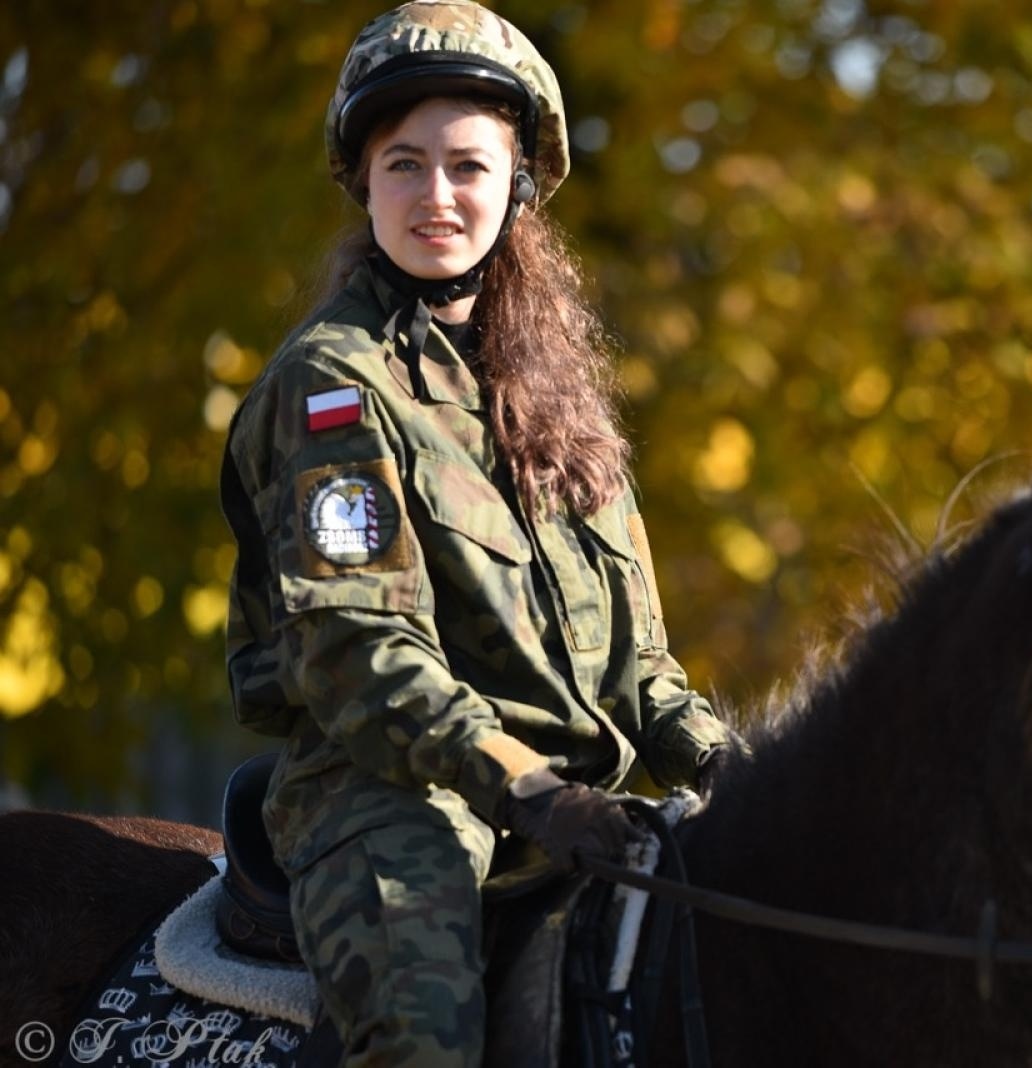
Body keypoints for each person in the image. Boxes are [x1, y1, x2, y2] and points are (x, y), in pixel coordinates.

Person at [218, 2, 738, 1063]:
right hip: (395, 804)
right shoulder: (331, 387)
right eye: (403, 165)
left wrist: (740, 767)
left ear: (518, 187)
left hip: (578, 805)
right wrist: (529, 787)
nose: (437, 197)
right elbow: (358, 655)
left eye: (467, 166)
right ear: (363, 183)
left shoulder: (560, 406)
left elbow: (642, 666)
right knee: (427, 1039)